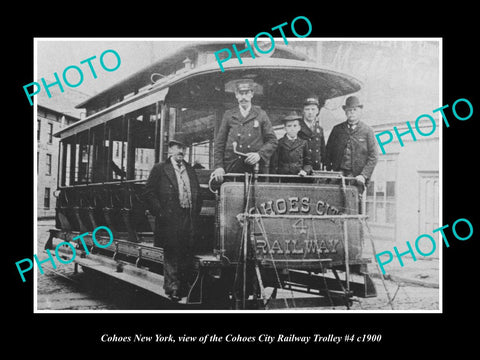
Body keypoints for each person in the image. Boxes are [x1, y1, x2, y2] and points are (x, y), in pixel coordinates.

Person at [143, 133, 202, 302]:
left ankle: (183, 287)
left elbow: (197, 191)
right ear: (170, 149)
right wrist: (160, 212)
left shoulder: (189, 169)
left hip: (187, 216)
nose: (181, 151)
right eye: (177, 148)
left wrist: (195, 211)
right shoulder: (160, 168)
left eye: (183, 148)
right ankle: (172, 288)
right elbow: (148, 192)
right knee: (172, 251)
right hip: (169, 218)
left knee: (186, 251)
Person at [211, 78, 278, 182]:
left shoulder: (261, 114)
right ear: (236, 95)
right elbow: (220, 143)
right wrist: (219, 167)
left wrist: (259, 155)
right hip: (233, 167)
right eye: (240, 93)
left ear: (252, 94)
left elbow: (272, 141)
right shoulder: (229, 115)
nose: (243, 97)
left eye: (246, 93)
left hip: (255, 168)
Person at [325, 96, 378, 192]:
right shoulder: (337, 129)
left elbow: (373, 156)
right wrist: (330, 171)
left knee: (353, 203)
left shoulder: (367, 131)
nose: (352, 112)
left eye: (355, 110)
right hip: (338, 175)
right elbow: (327, 152)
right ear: (345, 112)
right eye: (349, 110)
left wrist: (363, 175)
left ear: (360, 111)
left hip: (357, 177)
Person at [270, 111, 313, 178]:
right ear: (284, 128)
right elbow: (274, 164)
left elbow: (308, 163)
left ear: (299, 128)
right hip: (283, 177)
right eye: (289, 126)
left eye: (295, 126)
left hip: (299, 177)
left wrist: (305, 171)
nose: (292, 128)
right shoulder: (279, 143)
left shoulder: (303, 143)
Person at [298, 96, 326, 171]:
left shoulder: (319, 129)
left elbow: (322, 150)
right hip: (302, 169)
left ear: (317, 111)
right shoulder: (297, 128)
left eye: (313, 109)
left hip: (316, 168)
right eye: (307, 109)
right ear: (303, 111)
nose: (310, 112)